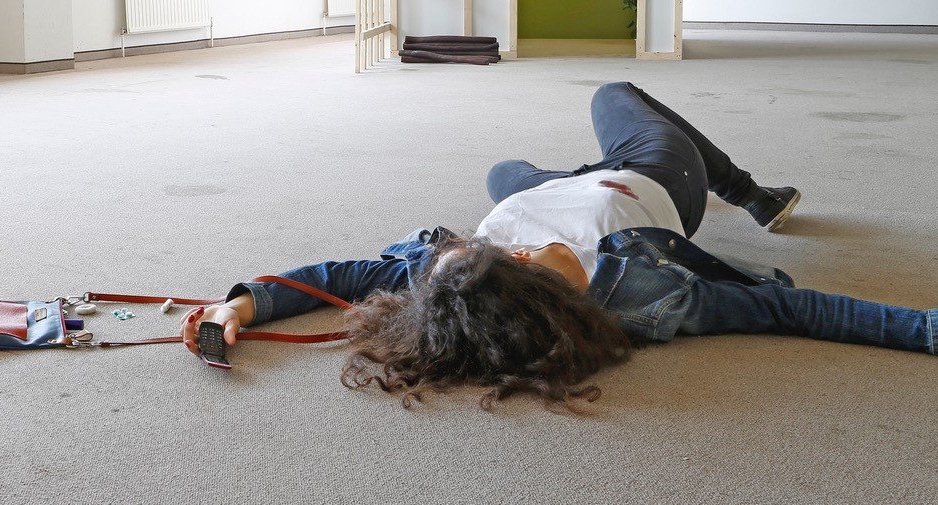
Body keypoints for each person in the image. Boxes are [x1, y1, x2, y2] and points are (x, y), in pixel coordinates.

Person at [181, 82, 937, 411]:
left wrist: (238, 305)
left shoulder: (460, 284)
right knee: (614, 95)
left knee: (501, 172)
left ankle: (560, 174)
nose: (489, 249)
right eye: (510, 258)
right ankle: (749, 191)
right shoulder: (647, 296)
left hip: (556, 186)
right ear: (532, 278)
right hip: (649, 175)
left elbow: (339, 277)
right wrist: (925, 329)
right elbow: (795, 311)